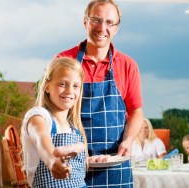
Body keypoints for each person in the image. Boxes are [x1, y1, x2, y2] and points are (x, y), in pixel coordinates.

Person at [55, 0, 144, 187]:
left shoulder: (128, 65)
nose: (102, 27)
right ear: (85, 22)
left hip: (114, 166)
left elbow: (136, 112)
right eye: (96, 20)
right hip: (72, 163)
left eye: (109, 22)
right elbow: (51, 111)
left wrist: (128, 140)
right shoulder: (64, 60)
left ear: (117, 28)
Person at [21, 57, 88, 187]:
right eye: (62, 84)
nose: (69, 91)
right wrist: (52, 160)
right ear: (47, 87)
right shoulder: (39, 115)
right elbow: (41, 139)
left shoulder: (73, 127)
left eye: (75, 86)